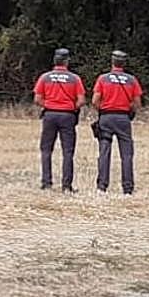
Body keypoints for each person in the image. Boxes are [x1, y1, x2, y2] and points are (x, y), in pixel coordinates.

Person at [33, 47, 86, 192]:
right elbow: (81, 100)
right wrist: (71, 107)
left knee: (46, 149)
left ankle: (46, 183)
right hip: (68, 116)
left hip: (49, 115)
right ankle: (66, 186)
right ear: (67, 62)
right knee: (68, 151)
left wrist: (49, 105)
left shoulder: (45, 77)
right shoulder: (75, 78)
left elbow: (37, 99)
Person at [92, 49, 143, 194]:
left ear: (112, 62)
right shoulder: (131, 80)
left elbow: (95, 101)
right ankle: (127, 188)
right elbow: (137, 103)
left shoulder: (103, 79)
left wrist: (103, 110)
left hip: (106, 118)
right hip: (123, 119)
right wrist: (128, 109)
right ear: (124, 63)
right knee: (126, 154)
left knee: (104, 152)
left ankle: (102, 186)